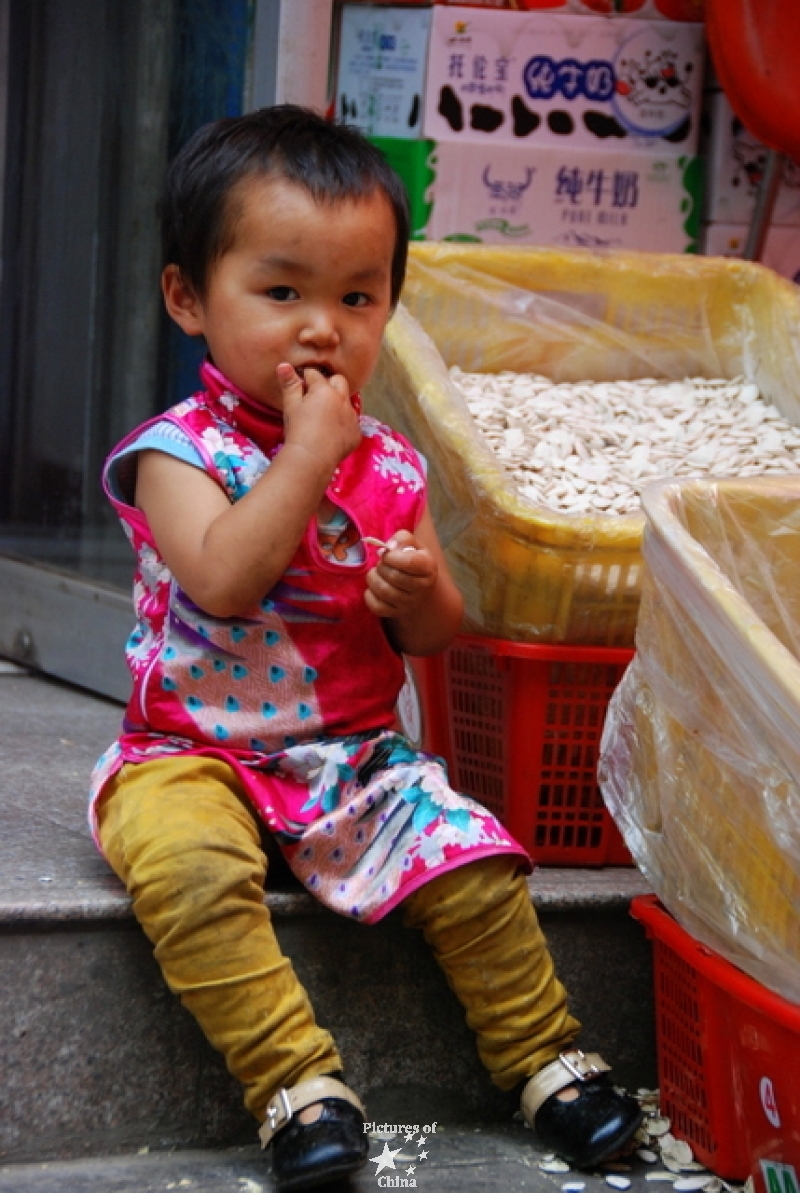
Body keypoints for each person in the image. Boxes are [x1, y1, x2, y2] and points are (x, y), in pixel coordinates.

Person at [90, 105, 643, 1192]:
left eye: (357, 297)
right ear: (187, 298)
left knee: (472, 854)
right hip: (188, 753)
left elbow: (432, 635)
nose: (321, 328)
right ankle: (296, 1083)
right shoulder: (174, 451)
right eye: (281, 291)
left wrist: (417, 585)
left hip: (350, 757)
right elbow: (225, 576)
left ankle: (544, 1057)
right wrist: (305, 457)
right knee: (188, 867)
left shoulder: (386, 462)